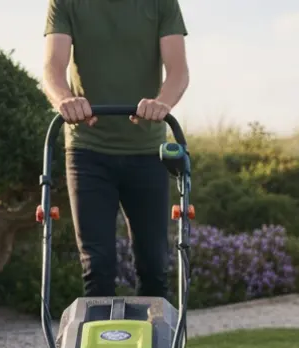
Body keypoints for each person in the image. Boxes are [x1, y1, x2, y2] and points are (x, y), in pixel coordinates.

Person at [42, 0, 190, 299]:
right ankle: (97, 346)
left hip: (147, 151)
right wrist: (65, 100)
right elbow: (52, 68)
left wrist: (162, 103)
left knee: (154, 264)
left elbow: (178, 71)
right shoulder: (65, 3)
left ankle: (151, 344)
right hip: (88, 150)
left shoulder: (162, 4)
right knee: (97, 265)